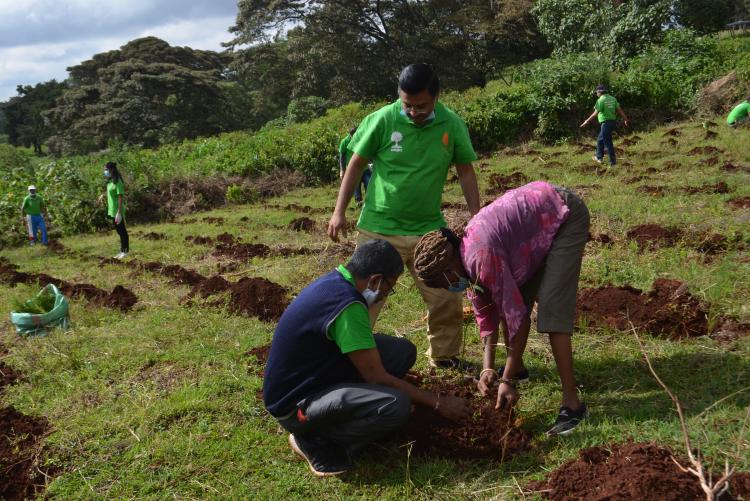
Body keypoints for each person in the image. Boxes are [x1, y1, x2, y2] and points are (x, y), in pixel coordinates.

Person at [263, 239, 471, 477]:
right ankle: (316, 440)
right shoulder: (348, 307)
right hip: (295, 407)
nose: (384, 296)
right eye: (388, 287)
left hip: (315, 375)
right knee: (396, 405)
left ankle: (348, 409)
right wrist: (438, 402)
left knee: (402, 351)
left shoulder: (337, 282)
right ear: (375, 280)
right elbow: (377, 378)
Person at [327, 63, 481, 370]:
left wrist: (478, 217)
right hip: (379, 228)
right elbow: (356, 164)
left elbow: (465, 171)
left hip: (429, 230)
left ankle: (444, 357)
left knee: (446, 298)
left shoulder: (451, 125)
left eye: (421, 106)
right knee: (365, 300)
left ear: (437, 96)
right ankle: (346, 363)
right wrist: (338, 211)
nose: (413, 112)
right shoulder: (383, 119)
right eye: (407, 105)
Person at [413, 181, 590, 435]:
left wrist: (503, 380)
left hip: (561, 214)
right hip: (531, 229)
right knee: (511, 301)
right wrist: (487, 368)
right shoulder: (466, 264)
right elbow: (487, 314)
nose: (446, 289)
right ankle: (516, 369)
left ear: (449, 269)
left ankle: (573, 404)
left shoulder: (480, 258)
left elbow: (519, 320)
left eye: (442, 283)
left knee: (552, 312)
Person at [580, 84, 629, 167]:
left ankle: (613, 163)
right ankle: (599, 158)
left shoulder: (601, 100)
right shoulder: (612, 98)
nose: (596, 94)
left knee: (608, 142)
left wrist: (586, 121)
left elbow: (595, 113)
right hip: (612, 122)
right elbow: (619, 110)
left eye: (596, 93)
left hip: (606, 123)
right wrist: (625, 119)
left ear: (599, 92)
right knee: (600, 139)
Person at [101, 162, 129, 259]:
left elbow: (120, 196)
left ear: (112, 170)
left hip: (118, 210)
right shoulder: (110, 181)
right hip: (112, 210)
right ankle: (122, 250)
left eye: (106, 170)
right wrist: (103, 195)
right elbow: (109, 192)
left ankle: (125, 251)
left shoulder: (118, 182)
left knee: (122, 231)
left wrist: (119, 212)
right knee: (118, 230)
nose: (105, 172)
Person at [338, 126, 371, 204]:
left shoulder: (362, 138)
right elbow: (342, 156)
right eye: (352, 135)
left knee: (369, 183)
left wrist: (371, 162)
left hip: (365, 166)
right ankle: (358, 201)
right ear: (350, 135)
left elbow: (368, 150)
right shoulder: (345, 141)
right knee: (356, 185)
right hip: (353, 168)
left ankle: (368, 200)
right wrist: (342, 170)